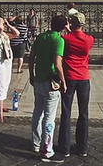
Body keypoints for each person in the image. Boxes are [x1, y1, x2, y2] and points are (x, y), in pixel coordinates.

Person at [29, 15, 67, 163]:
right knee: (49, 117)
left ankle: (36, 144)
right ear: (63, 27)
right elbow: (58, 64)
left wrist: (31, 75)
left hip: (38, 80)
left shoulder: (40, 37)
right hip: (50, 83)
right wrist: (63, 82)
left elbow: (31, 57)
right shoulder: (58, 40)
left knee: (37, 113)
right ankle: (47, 151)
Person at [58, 12, 93, 158]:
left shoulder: (65, 38)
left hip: (69, 78)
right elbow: (79, 37)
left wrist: (67, 30)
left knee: (66, 112)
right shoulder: (89, 39)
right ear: (83, 24)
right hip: (84, 78)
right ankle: (82, 147)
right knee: (83, 113)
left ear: (71, 23)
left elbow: (67, 41)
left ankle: (64, 148)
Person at [0, 16, 20, 122]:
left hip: (7, 60)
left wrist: (9, 24)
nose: (4, 24)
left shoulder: (4, 34)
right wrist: (2, 23)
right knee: (1, 83)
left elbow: (16, 33)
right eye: (2, 22)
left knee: (6, 82)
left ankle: (1, 106)